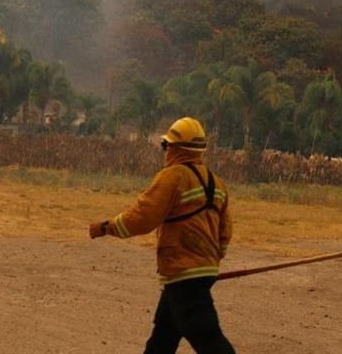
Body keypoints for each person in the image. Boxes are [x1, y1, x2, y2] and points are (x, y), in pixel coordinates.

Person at [89, 116, 236, 354]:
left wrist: (106, 227)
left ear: (176, 148)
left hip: (183, 272)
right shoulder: (216, 182)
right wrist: (211, 262)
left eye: (166, 146)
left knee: (208, 338)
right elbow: (225, 231)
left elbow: (143, 217)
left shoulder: (173, 177)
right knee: (162, 339)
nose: (165, 151)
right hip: (197, 271)